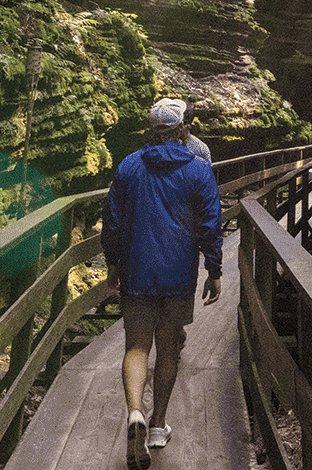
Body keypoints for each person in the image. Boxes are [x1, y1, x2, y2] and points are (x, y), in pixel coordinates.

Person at [102, 97, 223, 469]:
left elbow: (113, 222)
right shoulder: (199, 169)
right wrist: (214, 269)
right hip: (178, 274)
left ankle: (135, 412)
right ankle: (157, 426)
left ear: (151, 129)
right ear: (182, 129)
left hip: (137, 271)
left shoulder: (128, 167)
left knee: (136, 347)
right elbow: (210, 223)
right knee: (168, 348)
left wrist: (113, 265)